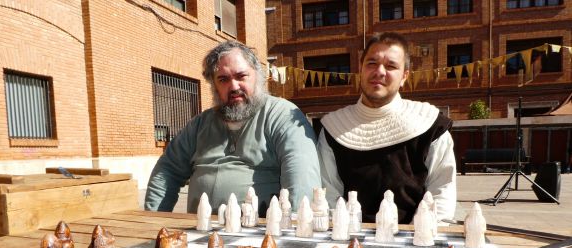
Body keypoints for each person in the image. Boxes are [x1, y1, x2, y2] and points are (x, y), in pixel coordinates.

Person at [145, 41, 321, 215]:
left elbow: (301, 179)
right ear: (214, 85)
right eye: (223, 79)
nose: (234, 86)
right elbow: (167, 171)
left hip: (260, 233)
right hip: (199, 230)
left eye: (241, 76)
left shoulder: (283, 115)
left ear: (258, 76)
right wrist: (155, 221)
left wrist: (293, 230)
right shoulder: (199, 125)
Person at [318, 32, 456, 224]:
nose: (380, 72)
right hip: (350, 238)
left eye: (391, 66)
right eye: (372, 63)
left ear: (404, 76)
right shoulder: (333, 127)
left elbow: (442, 193)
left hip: (414, 242)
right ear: (361, 68)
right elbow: (329, 194)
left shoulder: (430, 124)